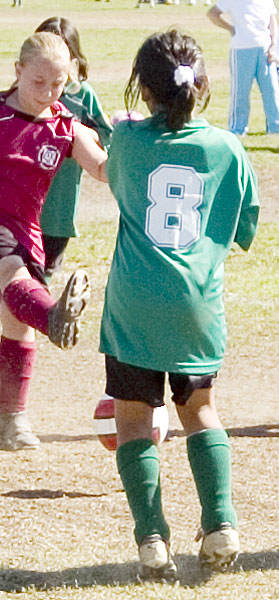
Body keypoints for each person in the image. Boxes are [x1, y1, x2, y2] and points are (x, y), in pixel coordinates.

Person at [101, 29, 259, 580]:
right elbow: (245, 229)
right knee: (200, 411)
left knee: (132, 419)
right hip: (197, 304)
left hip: (133, 302)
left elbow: (120, 181)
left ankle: (152, 539)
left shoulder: (127, 142)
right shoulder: (227, 148)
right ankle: (221, 522)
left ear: (143, 90)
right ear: (203, 84)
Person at [0, 32, 107, 450]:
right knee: (14, 278)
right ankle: (54, 318)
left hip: (26, 231)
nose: (47, 92)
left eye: (58, 84)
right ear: (18, 71)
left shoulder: (66, 127)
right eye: (38, 82)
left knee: (17, 320)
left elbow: (103, 169)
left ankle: (11, 418)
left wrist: (136, 147)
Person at [207, 0, 279, 135]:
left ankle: (275, 127)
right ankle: (238, 128)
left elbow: (272, 21)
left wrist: (273, 45)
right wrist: (230, 28)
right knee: (241, 92)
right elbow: (212, 13)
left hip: (265, 49)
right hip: (241, 49)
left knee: (272, 90)